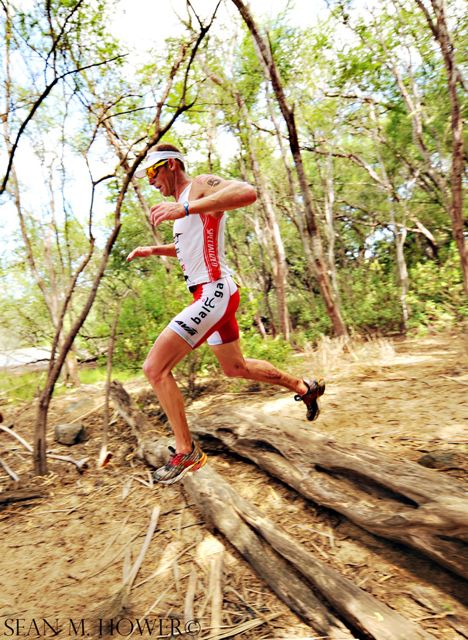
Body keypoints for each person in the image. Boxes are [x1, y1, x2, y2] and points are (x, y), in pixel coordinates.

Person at [127, 143, 325, 485]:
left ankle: (186, 450)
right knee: (235, 367)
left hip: (214, 291)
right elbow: (188, 247)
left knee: (155, 369)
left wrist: (185, 207)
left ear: (171, 165)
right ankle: (303, 386)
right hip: (215, 295)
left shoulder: (199, 185)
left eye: (152, 172)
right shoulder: (186, 205)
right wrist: (152, 250)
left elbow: (248, 192)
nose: (150, 182)